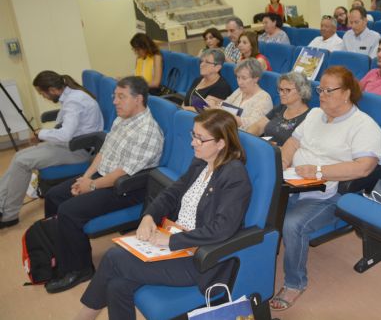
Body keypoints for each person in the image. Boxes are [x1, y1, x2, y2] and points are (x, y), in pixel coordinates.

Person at [75, 108, 252, 320]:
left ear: (221, 143)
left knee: (113, 258)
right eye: (193, 135)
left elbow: (222, 229)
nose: (193, 142)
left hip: (199, 258)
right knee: (117, 285)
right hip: (176, 245)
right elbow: (172, 193)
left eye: (200, 138)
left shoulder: (235, 175)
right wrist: (149, 216)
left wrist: (171, 241)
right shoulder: (201, 162)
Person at [270, 66, 381, 311]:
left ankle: (295, 283)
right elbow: (292, 142)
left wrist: (319, 171)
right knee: (260, 205)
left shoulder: (364, 126)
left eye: (328, 90)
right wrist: (283, 160)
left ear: (347, 93)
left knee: (292, 224)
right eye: (320, 89)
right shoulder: (314, 115)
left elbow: (364, 167)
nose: (321, 95)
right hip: (292, 183)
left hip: (327, 194)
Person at [44, 76, 163, 293]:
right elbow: (103, 153)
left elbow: (123, 172)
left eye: (121, 97)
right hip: (102, 176)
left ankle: (80, 269)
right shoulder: (121, 119)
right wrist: (85, 178)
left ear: (138, 99)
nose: (115, 102)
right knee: (54, 195)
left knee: (68, 211)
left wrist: (91, 186)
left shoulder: (147, 131)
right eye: (114, 96)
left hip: (125, 188)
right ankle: (58, 251)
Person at [0, 71, 103, 228]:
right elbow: (65, 128)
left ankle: (9, 215)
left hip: (79, 149)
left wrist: (41, 133)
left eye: (42, 93)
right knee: (19, 156)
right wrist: (43, 134)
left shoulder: (74, 101)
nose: (43, 97)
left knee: (22, 162)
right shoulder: (70, 96)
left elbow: (65, 134)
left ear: (52, 90)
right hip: (71, 144)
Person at [247, 72, 311, 146]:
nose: (281, 94)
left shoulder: (308, 118)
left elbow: (298, 149)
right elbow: (258, 126)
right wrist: (247, 138)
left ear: (301, 91)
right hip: (263, 147)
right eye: (281, 89)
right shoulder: (281, 107)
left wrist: (272, 147)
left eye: (287, 90)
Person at [216, 58, 273, 131]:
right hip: (226, 128)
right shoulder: (240, 90)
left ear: (255, 79)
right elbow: (224, 104)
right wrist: (215, 106)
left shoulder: (264, 99)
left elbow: (253, 126)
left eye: (244, 78)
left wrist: (227, 115)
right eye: (238, 77)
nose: (240, 82)